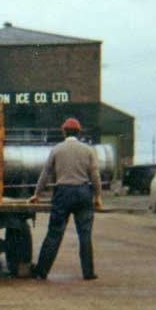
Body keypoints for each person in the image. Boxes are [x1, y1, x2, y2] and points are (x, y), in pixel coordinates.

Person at [28, 117, 103, 280]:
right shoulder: (88, 150)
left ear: (64, 132)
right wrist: (97, 197)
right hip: (83, 193)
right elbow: (95, 176)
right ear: (79, 132)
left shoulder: (56, 150)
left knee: (54, 233)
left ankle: (41, 271)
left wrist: (37, 193)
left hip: (63, 194)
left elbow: (45, 173)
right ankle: (88, 272)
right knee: (85, 234)